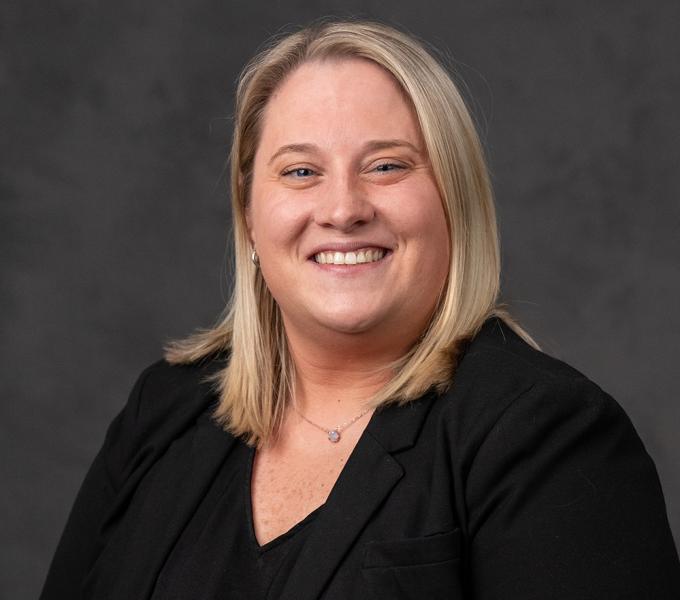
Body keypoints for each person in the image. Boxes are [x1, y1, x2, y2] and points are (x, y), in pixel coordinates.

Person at [40, 19, 680, 600]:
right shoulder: (166, 411)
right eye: (299, 173)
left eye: (386, 166)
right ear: (250, 216)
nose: (343, 209)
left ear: (453, 200)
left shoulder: (547, 437)